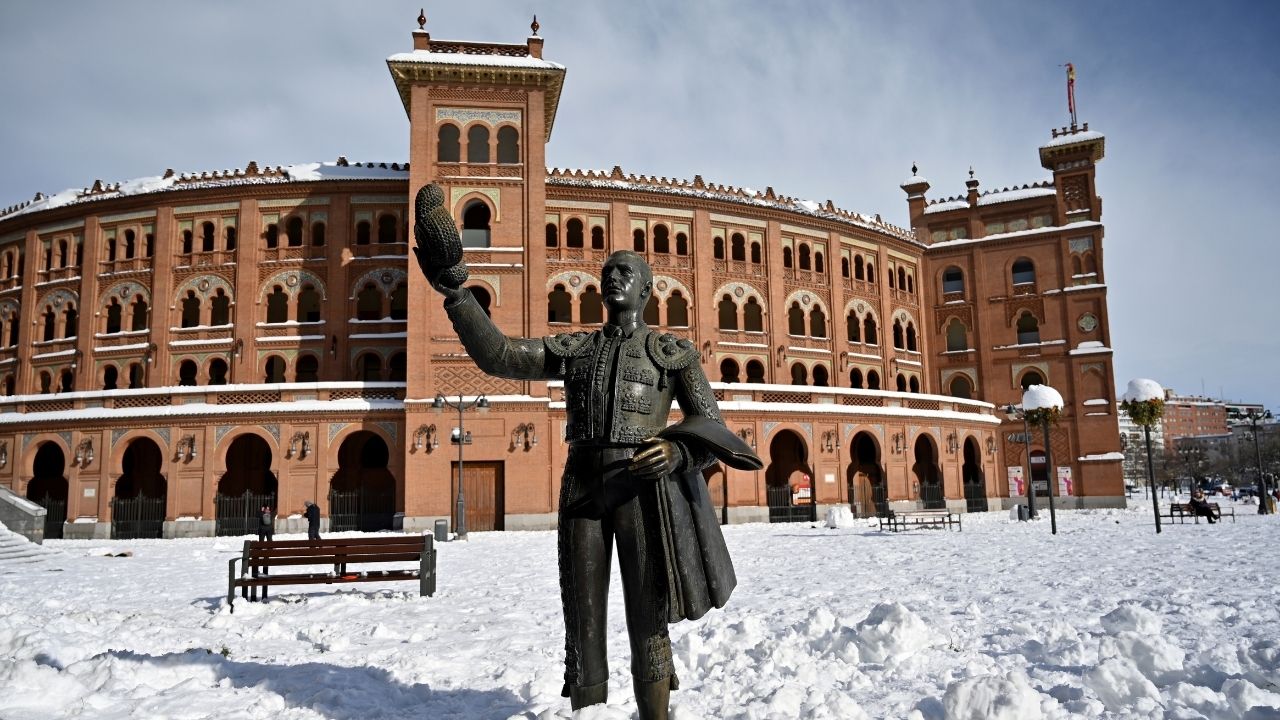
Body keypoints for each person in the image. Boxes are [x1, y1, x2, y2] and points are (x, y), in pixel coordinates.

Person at [414, 186, 760, 720]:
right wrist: (457, 295)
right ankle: (587, 711)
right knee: (582, 614)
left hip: (642, 490)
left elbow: (712, 429)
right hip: (581, 487)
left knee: (648, 610)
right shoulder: (576, 348)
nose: (613, 276)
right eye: (609, 271)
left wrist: (675, 454)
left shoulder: (673, 353)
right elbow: (502, 356)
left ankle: (656, 716)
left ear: (646, 289)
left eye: (626, 271)